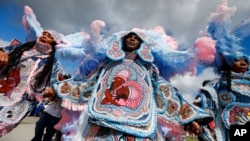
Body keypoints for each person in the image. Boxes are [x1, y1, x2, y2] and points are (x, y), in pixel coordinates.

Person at [52, 31, 212, 141]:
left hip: (140, 123)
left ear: (142, 44)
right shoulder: (107, 65)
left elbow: (164, 92)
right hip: (103, 120)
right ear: (121, 41)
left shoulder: (149, 68)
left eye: (136, 38)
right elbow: (89, 83)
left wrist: (187, 119)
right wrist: (58, 90)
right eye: (128, 37)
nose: (132, 39)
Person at [0, 30, 66, 137]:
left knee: (3, 126)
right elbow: (4, 50)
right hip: (4, 90)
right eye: (43, 34)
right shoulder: (22, 49)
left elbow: (54, 81)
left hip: (23, 102)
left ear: (55, 42)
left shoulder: (53, 62)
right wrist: (1, 52)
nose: (44, 36)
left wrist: (51, 90)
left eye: (49, 36)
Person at [193, 55, 250, 141]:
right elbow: (206, 107)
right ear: (227, 63)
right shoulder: (217, 86)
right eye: (237, 60)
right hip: (226, 132)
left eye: (246, 61)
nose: (243, 63)